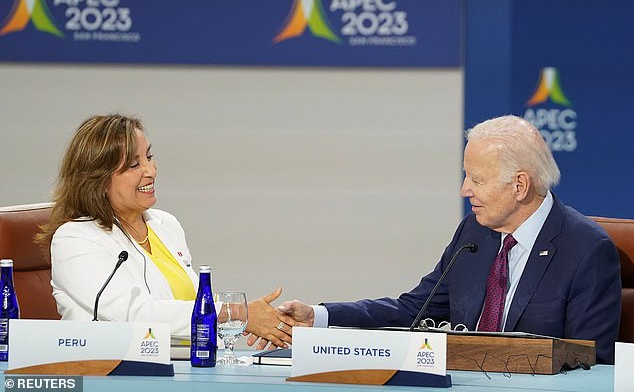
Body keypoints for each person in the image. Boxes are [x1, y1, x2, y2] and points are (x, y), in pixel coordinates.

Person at [272, 115, 621, 364]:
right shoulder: (475, 232)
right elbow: (414, 310)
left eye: (477, 179)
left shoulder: (586, 250)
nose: (464, 190)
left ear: (519, 185)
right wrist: (319, 317)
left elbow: (591, 362)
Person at [39, 114, 295, 346]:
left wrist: (249, 322)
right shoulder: (75, 239)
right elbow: (135, 314)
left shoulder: (165, 225)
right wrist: (236, 313)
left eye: (149, 157)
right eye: (133, 165)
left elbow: (190, 307)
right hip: (116, 373)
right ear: (98, 179)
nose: (150, 171)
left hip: (188, 367)